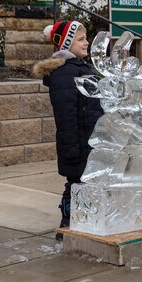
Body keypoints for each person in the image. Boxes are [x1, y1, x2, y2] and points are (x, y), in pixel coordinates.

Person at [32, 21, 104, 241]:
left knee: (85, 184)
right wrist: (71, 150)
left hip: (90, 141)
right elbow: (65, 116)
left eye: (86, 38)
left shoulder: (82, 67)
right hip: (78, 143)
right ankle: (67, 225)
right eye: (81, 39)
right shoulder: (64, 73)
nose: (87, 42)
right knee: (76, 183)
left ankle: (82, 222)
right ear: (67, 43)